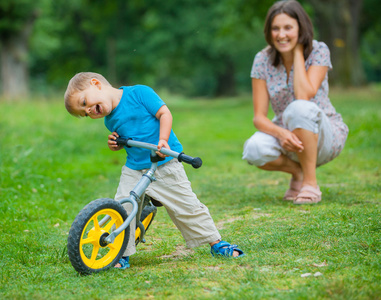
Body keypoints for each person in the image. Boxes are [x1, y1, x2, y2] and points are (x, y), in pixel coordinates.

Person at [64, 72, 244, 269]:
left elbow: (164, 114)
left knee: (185, 204)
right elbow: (129, 139)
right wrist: (116, 144)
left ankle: (216, 242)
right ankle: (121, 254)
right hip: (134, 168)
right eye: (85, 113)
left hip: (164, 162)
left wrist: (163, 139)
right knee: (124, 207)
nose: (89, 111)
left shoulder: (139, 93)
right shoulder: (110, 120)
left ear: (96, 84)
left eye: (84, 103)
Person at [242, 0, 348, 205]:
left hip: (325, 136)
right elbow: (259, 118)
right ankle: (298, 172)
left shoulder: (319, 50)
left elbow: (304, 96)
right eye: (276, 28)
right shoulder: (262, 59)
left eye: (288, 28)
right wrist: (281, 133)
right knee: (253, 149)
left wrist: (298, 52)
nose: (281, 35)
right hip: (287, 135)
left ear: (301, 29)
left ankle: (310, 184)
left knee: (299, 108)